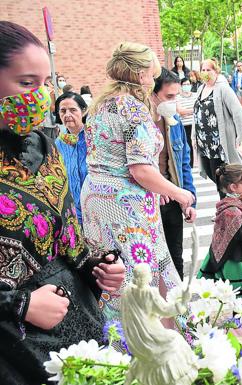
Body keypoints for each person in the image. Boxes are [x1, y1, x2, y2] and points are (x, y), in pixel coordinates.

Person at [0, 21, 125, 384]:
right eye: (26, 83)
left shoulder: (45, 146)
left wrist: (98, 268)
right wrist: (20, 305)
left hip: (78, 327)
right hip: (14, 348)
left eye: (44, 84)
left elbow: (67, 241)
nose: (39, 96)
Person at [82, 42, 194, 323]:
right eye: (152, 73)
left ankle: (118, 343)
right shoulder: (132, 108)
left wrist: (157, 189)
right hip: (125, 203)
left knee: (113, 273)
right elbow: (140, 169)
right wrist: (179, 193)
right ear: (143, 74)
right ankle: (150, 344)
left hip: (97, 197)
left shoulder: (101, 104)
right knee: (141, 276)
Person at [198, 164, 242, 322]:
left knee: (240, 287)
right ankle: (239, 311)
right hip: (234, 256)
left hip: (238, 253)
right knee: (239, 286)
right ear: (233, 187)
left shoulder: (233, 204)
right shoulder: (231, 209)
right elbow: (237, 234)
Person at [151, 68, 197, 280]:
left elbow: (183, 164)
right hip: (148, 201)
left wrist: (189, 202)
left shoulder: (174, 122)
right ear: (153, 94)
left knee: (175, 259)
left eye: (176, 96)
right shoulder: (141, 124)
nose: (174, 101)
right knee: (152, 263)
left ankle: (178, 309)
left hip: (172, 198)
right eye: (169, 96)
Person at [194, 58, 242, 199]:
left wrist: (239, 136)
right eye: (203, 70)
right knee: (213, 174)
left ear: (216, 71)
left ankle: (229, 205)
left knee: (223, 177)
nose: (205, 73)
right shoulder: (201, 89)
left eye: (208, 70)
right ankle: (228, 204)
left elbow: (238, 113)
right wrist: (194, 136)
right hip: (205, 143)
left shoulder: (223, 89)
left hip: (219, 143)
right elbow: (196, 113)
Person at [54, 92, 89, 224]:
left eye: (73, 110)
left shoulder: (94, 137)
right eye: (63, 111)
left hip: (95, 205)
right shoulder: (58, 143)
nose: (67, 115)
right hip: (72, 210)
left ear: (83, 111)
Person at [177, 77, 197, 168]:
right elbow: (180, 111)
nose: (186, 86)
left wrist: (187, 111)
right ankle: (190, 166)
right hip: (185, 125)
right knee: (187, 146)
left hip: (195, 124)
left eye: (188, 84)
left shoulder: (196, 96)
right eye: (184, 84)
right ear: (181, 86)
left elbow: (198, 108)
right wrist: (193, 110)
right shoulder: (178, 98)